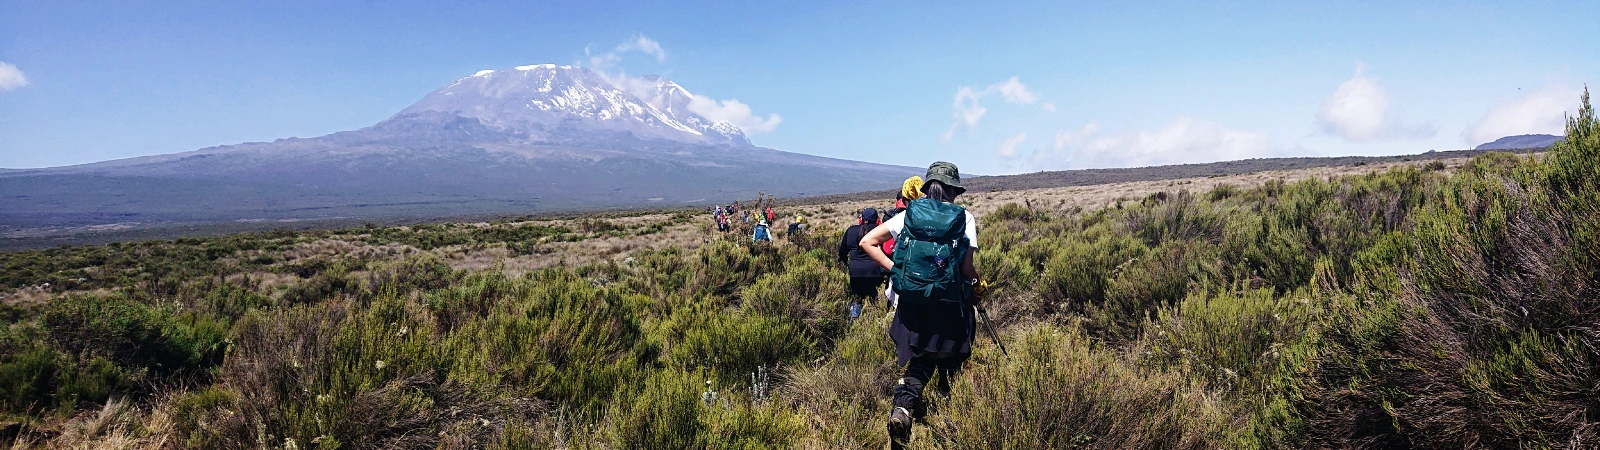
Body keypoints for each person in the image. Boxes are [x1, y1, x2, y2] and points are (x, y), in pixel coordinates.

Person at [859, 162, 980, 449]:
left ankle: (903, 409)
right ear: (953, 190)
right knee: (951, 359)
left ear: (927, 188)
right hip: (949, 306)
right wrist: (978, 284)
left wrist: (897, 272)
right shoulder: (965, 217)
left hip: (912, 306)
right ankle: (949, 419)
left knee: (920, 360)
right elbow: (966, 268)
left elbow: (867, 242)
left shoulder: (909, 214)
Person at [837, 208, 886, 319]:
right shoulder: (880, 230)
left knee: (857, 298)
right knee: (875, 298)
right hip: (876, 271)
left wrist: (847, 264)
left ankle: (853, 320)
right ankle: (877, 320)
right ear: (877, 219)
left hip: (855, 272)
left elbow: (842, 252)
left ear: (861, 219)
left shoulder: (851, 230)